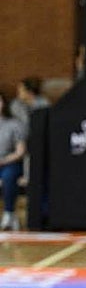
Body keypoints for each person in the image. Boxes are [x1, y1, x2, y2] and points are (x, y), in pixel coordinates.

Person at [0, 92, 27, 232]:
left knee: (8, 176)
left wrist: (4, 160)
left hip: (10, 163)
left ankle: (9, 213)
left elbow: (20, 151)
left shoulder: (14, 124)